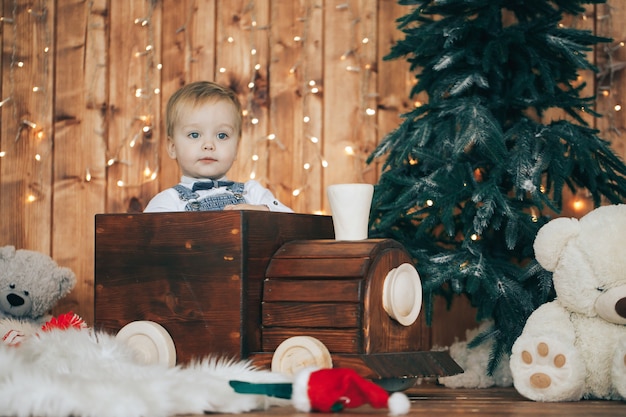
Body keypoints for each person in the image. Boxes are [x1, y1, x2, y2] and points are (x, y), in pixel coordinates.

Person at [144, 81, 293, 213]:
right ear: (172, 147)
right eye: (194, 135)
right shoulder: (168, 202)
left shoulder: (252, 193)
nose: (209, 145)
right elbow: (147, 241)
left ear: (236, 148)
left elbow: (292, 223)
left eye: (222, 135)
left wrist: (263, 212)